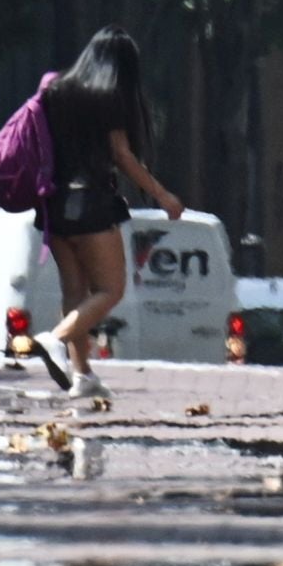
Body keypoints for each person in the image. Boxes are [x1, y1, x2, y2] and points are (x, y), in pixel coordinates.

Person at [33, 25, 184, 398]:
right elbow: (121, 155)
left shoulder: (56, 90)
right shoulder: (108, 96)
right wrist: (162, 195)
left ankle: (82, 375)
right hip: (92, 205)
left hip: (54, 206)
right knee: (110, 290)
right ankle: (56, 339)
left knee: (75, 292)